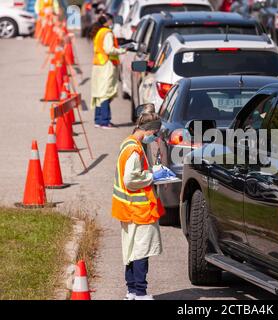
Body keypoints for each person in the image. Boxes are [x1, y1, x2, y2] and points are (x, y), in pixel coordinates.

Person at [111, 113, 167, 300]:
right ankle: (141, 293)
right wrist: (153, 177)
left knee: (131, 250)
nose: (156, 136)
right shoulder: (135, 150)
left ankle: (132, 291)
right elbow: (130, 179)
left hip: (127, 208)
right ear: (149, 129)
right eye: (156, 132)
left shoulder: (128, 143)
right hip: (140, 210)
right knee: (142, 251)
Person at [90, 14, 126, 129]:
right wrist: (122, 50)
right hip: (107, 65)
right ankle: (105, 121)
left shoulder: (99, 31)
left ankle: (98, 120)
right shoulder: (107, 33)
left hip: (98, 64)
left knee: (100, 92)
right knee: (106, 92)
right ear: (108, 21)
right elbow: (109, 49)